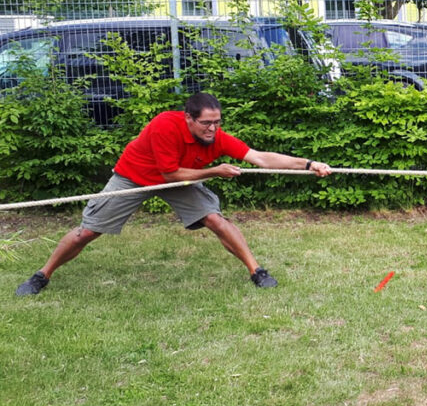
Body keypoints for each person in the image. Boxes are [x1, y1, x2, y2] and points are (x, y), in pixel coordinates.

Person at [15, 92, 332, 296]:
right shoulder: (165, 126)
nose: (212, 129)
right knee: (87, 231)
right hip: (135, 177)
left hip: (182, 179)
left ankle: (256, 271)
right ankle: (42, 275)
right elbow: (169, 174)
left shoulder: (217, 138)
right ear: (188, 118)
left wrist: (309, 164)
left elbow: (260, 158)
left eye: (217, 122)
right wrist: (214, 171)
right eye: (206, 123)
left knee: (215, 219)